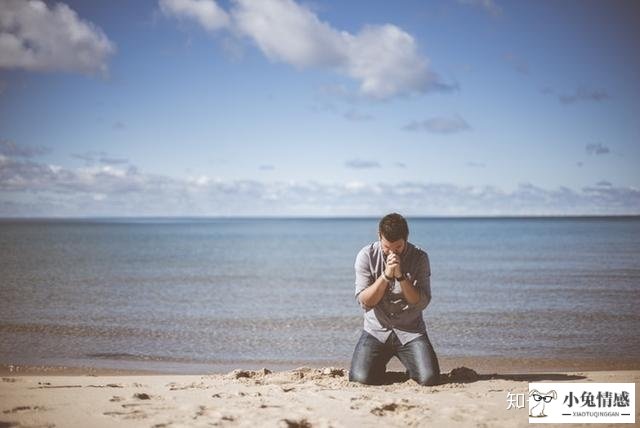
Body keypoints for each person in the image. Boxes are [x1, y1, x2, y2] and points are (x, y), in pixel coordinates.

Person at [348, 213, 441, 386]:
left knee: (429, 379)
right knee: (359, 379)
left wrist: (400, 277)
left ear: (406, 239)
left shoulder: (420, 257)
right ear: (379, 237)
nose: (391, 252)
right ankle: (376, 367)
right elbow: (365, 301)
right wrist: (385, 276)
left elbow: (421, 302)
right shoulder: (366, 255)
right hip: (376, 331)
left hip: (410, 331)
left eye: (397, 247)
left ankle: (412, 366)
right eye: (386, 247)